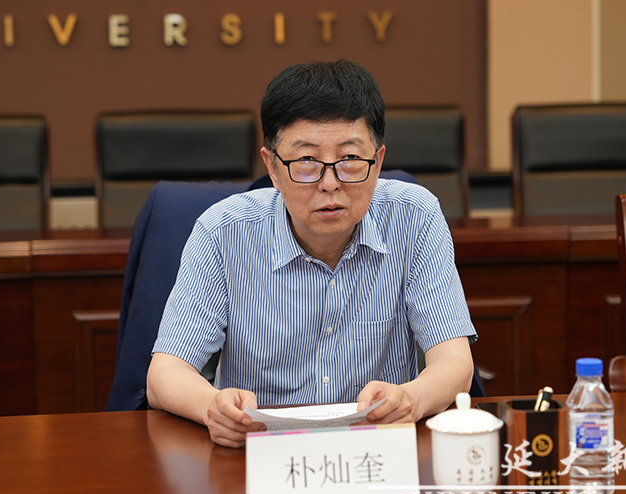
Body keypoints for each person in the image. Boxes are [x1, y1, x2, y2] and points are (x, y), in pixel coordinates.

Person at [146, 59, 476, 448]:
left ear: (378, 162)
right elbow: (164, 373)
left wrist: (411, 399)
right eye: (306, 162)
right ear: (272, 166)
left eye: (350, 159)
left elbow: (455, 362)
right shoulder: (222, 232)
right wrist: (212, 408)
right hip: (259, 452)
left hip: (376, 449)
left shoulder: (415, 217)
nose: (330, 183)